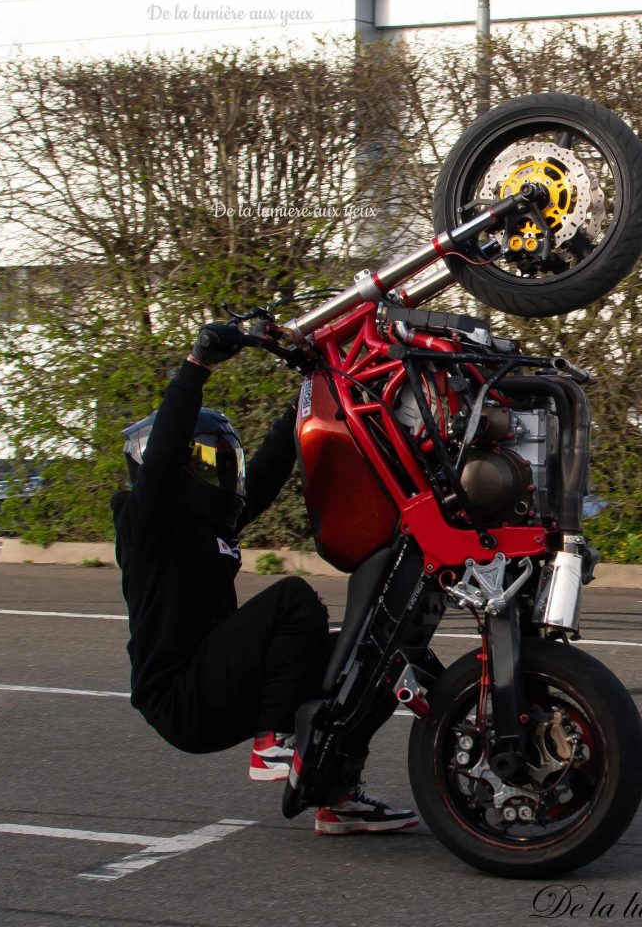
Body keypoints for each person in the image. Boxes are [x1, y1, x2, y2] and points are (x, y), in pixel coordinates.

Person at [112, 321, 418, 835]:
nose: (223, 472)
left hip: (226, 682)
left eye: (224, 460)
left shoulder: (214, 521)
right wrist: (196, 368)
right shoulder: (147, 523)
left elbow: (274, 464)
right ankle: (272, 741)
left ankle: (336, 794)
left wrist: (317, 381)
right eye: (207, 461)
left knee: (381, 657)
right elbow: (164, 457)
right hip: (180, 694)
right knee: (292, 599)